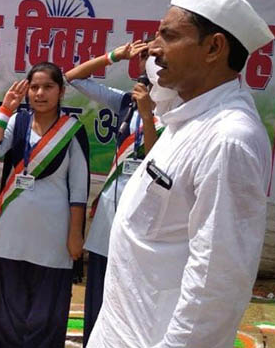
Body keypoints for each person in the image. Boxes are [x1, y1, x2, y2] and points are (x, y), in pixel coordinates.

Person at [87, 0, 275, 348]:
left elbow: (217, 282)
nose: (153, 48)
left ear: (214, 48)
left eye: (169, 36)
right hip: (120, 330)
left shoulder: (227, 139)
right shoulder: (183, 113)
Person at [0, 62, 89, 348]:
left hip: (52, 235)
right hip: (10, 233)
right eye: (34, 87)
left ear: (61, 91)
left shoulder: (72, 130)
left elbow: (79, 189)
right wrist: (5, 110)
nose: (40, 93)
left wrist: (75, 234)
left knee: (46, 313)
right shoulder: (17, 122)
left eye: (48, 87)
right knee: (7, 309)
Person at [63, 39, 157, 345]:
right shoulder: (127, 101)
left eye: (156, 56)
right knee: (99, 291)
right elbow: (72, 78)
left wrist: (148, 116)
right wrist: (114, 55)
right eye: (145, 56)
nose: (149, 62)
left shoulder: (179, 110)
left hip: (146, 213)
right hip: (111, 208)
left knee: (133, 295)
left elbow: (159, 160)